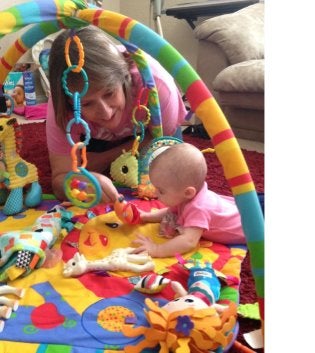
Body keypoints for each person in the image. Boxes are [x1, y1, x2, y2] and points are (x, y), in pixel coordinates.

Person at [46, 25, 187, 203]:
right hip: (99, 137)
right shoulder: (62, 105)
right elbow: (60, 178)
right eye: (87, 103)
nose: (105, 112)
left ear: (125, 77)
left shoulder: (155, 87)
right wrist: (84, 183)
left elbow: (161, 144)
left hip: (148, 129)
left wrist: (101, 160)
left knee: (178, 168)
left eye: (109, 93)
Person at [132, 142, 246, 258]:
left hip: (249, 230)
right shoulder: (185, 196)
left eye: (161, 191)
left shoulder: (199, 208)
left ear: (188, 192)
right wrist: (145, 217)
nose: (155, 193)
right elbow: (170, 212)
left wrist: (156, 249)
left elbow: (188, 241)